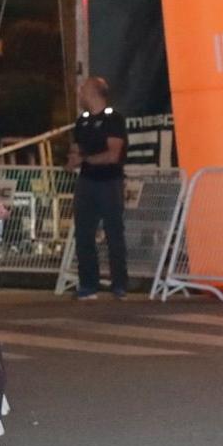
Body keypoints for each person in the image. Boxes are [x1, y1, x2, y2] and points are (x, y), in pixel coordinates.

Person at [70, 76, 128, 301]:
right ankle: (88, 284)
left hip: (109, 182)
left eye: (83, 89)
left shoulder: (114, 120)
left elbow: (113, 155)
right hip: (87, 182)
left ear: (94, 92)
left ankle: (119, 284)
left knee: (114, 233)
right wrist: (75, 159)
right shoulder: (81, 122)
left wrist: (85, 159)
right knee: (83, 233)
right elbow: (74, 153)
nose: (80, 93)